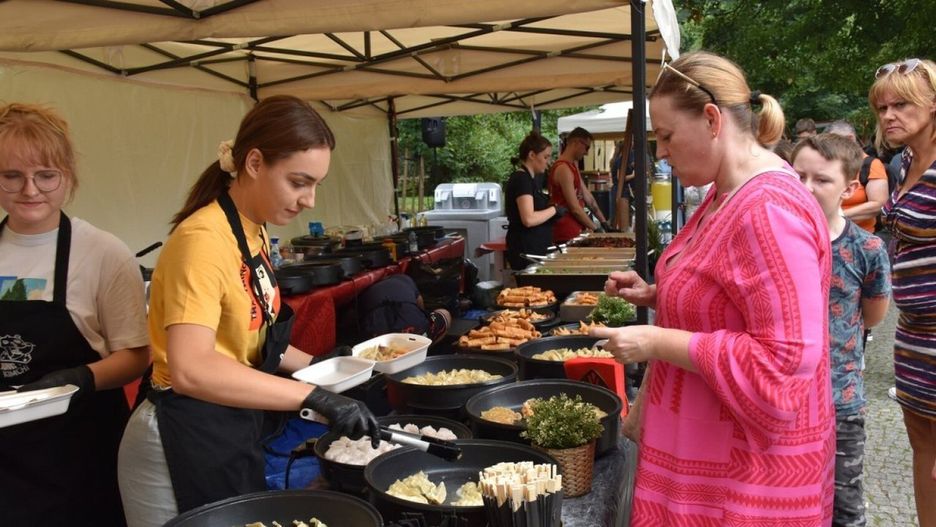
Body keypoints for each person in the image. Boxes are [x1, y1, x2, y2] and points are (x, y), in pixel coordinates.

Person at [590, 51, 835, 525]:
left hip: (747, 484)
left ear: (711, 119)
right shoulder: (727, 193)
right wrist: (659, 294)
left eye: (665, 136)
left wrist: (656, 340)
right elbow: (734, 297)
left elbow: (783, 366)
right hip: (714, 468)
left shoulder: (769, 210)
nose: (660, 152)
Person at [118, 95, 380, 527]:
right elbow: (191, 368)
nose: (309, 200)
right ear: (254, 163)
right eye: (299, 182)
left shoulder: (251, 231)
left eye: (316, 184)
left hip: (227, 426)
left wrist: (320, 366)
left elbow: (257, 335)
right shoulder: (202, 240)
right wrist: (313, 395)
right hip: (180, 433)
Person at [0, 103, 149, 527]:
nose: (30, 190)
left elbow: (136, 356)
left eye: (46, 175)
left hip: (78, 450)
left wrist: (79, 379)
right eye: (12, 175)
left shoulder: (103, 253)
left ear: (68, 177)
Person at [792, 133, 891, 527]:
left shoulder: (866, 249)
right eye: (797, 176)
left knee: (845, 505)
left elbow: (873, 316)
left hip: (839, 399)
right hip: (784, 402)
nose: (805, 188)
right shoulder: (775, 240)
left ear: (850, 188)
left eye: (821, 179)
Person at [870, 57, 936, 527]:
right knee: (923, 451)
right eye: (882, 107)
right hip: (912, 336)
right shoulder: (905, 162)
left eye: (902, 104)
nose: (889, 115)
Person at [504, 131, 564, 269]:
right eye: (545, 157)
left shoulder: (530, 180)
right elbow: (528, 219)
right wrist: (554, 210)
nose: (548, 162)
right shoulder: (521, 179)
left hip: (535, 249)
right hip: (526, 250)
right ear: (531, 155)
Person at [548, 127, 612, 243]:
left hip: (575, 231)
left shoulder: (573, 167)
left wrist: (604, 223)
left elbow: (589, 199)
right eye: (586, 147)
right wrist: (596, 228)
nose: (587, 152)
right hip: (564, 233)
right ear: (576, 142)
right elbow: (575, 208)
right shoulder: (563, 169)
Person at [825, 120, 890, 233]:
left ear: (850, 139)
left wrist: (837, 217)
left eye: (833, 142)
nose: (829, 148)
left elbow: (878, 204)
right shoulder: (832, 164)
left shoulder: (870, 165)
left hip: (860, 236)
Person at [356, 273, 451, 343]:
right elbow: (420, 304)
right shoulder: (405, 278)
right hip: (410, 328)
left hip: (377, 335)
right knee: (444, 314)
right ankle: (426, 351)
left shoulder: (366, 291)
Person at [610, 141, 636, 231]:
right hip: (620, 191)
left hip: (618, 190)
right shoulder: (621, 160)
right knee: (621, 218)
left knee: (617, 217)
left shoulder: (617, 159)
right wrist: (633, 175)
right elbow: (620, 177)